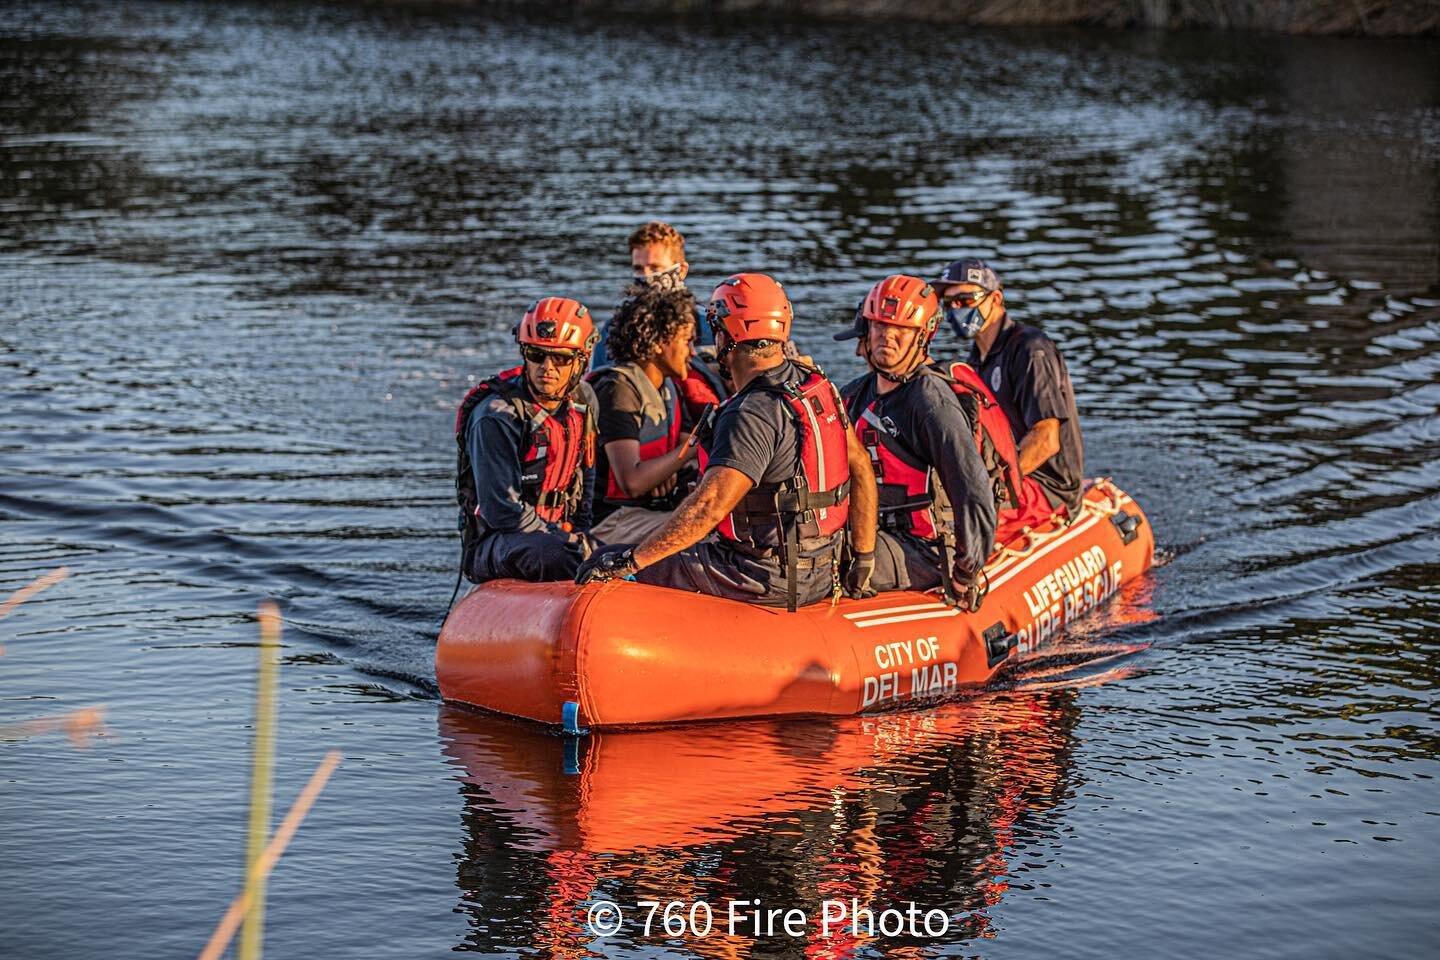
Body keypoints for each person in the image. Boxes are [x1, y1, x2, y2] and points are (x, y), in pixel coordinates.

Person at [575, 273, 880, 611]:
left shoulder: (749, 412)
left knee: (606, 559)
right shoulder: (817, 386)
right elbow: (862, 468)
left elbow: (709, 507)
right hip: (821, 571)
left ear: (727, 336)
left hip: (757, 576)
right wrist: (863, 559)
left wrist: (632, 561)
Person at [835, 275, 996, 609]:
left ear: (925, 334)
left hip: (925, 548)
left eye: (901, 329)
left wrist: (967, 571)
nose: (886, 337)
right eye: (879, 326)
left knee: (830, 560)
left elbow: (972, 489)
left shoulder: (931, 403)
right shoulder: (853, 395)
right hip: (872, 534)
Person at [454, 296, 599, 584]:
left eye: (561, 358)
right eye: (536, 354)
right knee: (559, 555)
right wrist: (563, 540)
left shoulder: (585, 402)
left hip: (556, 532)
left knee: (615, 556)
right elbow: (502, 512)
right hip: (498, 541)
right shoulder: (496, 416)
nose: (547, 367)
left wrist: (581, 534)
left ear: (580, 360)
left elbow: (587, 481)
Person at [937, 258, 1085, 519]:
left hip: (1047, 487)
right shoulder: (975, 364)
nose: (955, 310)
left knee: (959, 523)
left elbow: (1046, 439)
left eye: (965, 300)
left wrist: (989, 489)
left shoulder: (1030, 350)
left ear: (995, 299)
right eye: (949, 304)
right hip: (1010, 478)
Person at [588, 287, 701, 545]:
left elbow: (682, 446)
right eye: (687, 341)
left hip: (648, 510)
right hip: (612, 520)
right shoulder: (618, 390)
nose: (693, 352)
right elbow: (633, 482)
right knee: (704, 530)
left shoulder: (669, 387)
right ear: (661, 341)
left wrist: (665, 469)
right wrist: (686, 453)